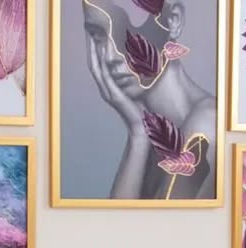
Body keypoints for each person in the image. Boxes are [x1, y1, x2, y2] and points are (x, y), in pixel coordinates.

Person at [82, 0, 217, 200]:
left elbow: (129, 221)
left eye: (126, 29)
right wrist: (138, 133)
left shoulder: (205, 126)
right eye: (98, 34)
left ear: (173, 21)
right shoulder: (151, 131)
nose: (110, 56)